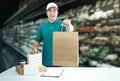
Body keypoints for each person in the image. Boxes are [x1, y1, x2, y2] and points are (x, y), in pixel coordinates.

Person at [30, 2, 73, 66]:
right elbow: (37, 41)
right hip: (45, 62)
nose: (52, 13)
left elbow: (70, 31)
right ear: (47, 13)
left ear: (57, 13)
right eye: (50, 11)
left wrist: (69, 25)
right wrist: (35, 48)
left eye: (54, 11)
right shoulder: (42, 27)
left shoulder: (63, 24)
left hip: (60, 62)